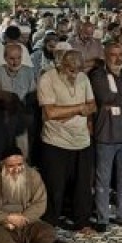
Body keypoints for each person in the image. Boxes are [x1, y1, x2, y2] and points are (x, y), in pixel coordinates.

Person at [36, 49, 96, 232]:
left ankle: (82, 222)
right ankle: (50, 223)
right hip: (56, 141)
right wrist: (78, 108)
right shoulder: (47, 79)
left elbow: (92, 105)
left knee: (83, 187)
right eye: (71, 70)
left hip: (82, 141)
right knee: (55, 186)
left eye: (79, 70)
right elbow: (50, 112)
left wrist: (65, 113)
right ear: (62, 66)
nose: (75, 74)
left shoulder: (83, 78)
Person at [89, 42, 122, 229]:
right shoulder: (98, 75)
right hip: (107, 135)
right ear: (105, 56)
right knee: (103, 178)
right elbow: (105, 97)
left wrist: (118, 101)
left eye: (120, 54)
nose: (118, 58)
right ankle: (103, 218)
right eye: (113, 55)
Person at [0, 43, 37, 165]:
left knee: (23, 155)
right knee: (0, 156)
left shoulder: (29, 72)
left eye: (18, 58)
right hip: (2, 121)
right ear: (4, 57)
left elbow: (33, 97)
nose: (15, 62)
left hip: (22, 120)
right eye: (11, 59)